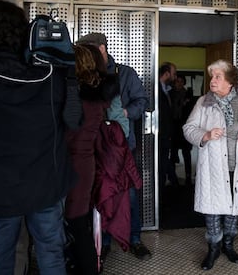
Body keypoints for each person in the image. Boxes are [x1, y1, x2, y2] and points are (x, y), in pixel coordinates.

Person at [0, 0, 76, 274]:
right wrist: (69, 72)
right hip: (46, 185)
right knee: (51, 254)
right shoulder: (49, 75)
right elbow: (74, 121)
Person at [183, 59, 238, 271]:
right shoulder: (204, 102)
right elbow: (188, 128)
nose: (213, 80)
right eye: (212, 76)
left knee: (232, 209)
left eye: (218, 76)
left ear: (229, 81)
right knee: (212, 210)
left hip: (237, 167)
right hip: (213, 167)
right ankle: (213, 248)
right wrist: (206, 134)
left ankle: (228, 244)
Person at [64, 44, 139, 274]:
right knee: (80, 221)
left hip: (80, 164)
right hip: (90, 164)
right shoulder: (101, 95)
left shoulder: (76, 95)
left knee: (76, 223)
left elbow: (69, 127)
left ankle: (86, 265)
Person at [76, 33, 151, 261]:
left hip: (121, 146)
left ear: (101, 48)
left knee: (127, 194)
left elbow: (143, 101)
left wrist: (125, 114)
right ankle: (104, 241)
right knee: (99, 193)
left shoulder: (125, 73)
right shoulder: (83, 74)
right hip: (92, 145)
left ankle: (134, 238)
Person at [158, 62, 179, 194]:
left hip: (166, 135)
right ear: (166, 74)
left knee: (165, 161)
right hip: (160, 136)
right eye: (174, 73)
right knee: (161, 164)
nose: (175, 77)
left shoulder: (167, 90)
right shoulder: (155, 90)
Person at [170, 75, 194, 185]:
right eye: (177, 81)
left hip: (184, 128)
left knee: (186, 153)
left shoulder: (188, 95)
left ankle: (188, 176)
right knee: (173, 154)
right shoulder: (170, 94)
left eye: (181, 81)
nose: (178, 83)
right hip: (174, 128)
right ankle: (172, 177)